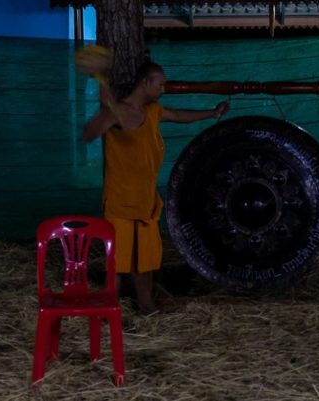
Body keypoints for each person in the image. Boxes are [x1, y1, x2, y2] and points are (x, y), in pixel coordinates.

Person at [82, 60, 230, 313]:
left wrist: (212, 113)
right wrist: (106, 115)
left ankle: (146, 307)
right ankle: (109, 313)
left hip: (146, 201)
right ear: (145, 82)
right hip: (121, 201)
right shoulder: (118, 113)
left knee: (145, 262)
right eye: (160, 83)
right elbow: (88, 134)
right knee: (117, 264)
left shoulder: (153, 112)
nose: (163, 88)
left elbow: (179, 115)